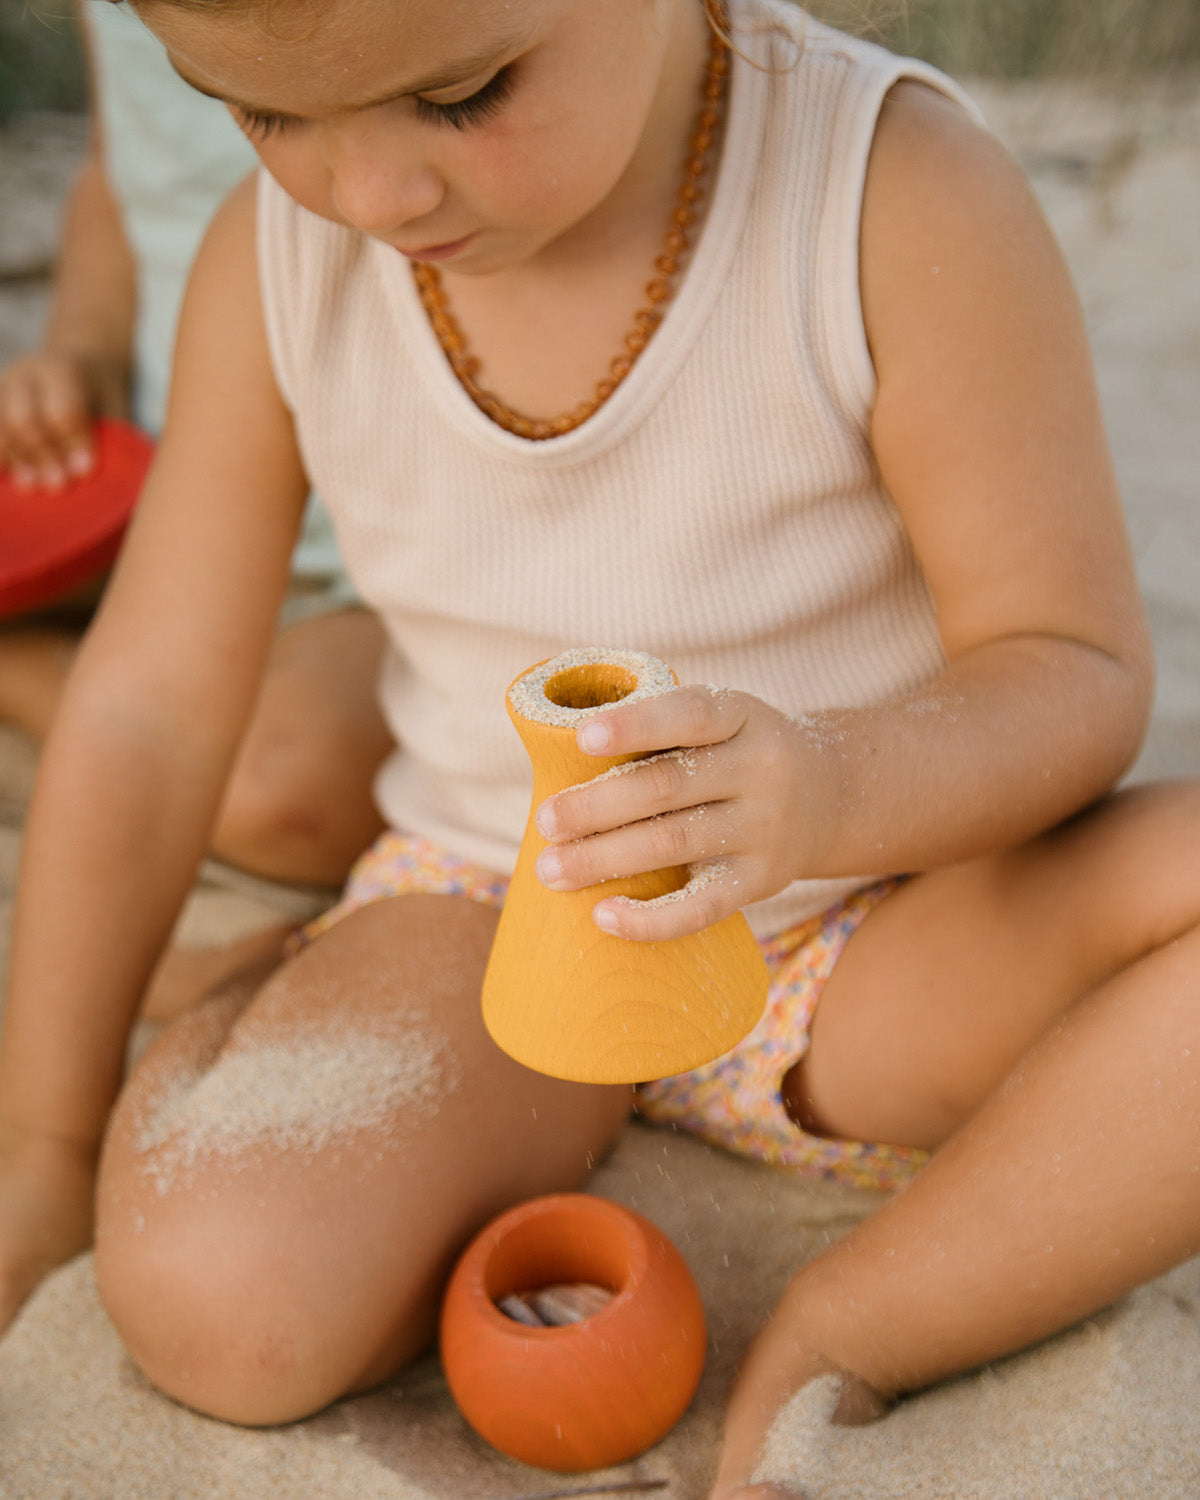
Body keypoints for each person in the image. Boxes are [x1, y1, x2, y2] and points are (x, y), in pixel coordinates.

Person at [0, 0, 1196, 1495]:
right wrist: (46, 1140)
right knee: (221, 1308)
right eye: (265, 113)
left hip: (864, 932)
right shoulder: (278, 258)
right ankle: (281, 987)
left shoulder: (889, 195)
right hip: (490, 915)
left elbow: (1073, 669)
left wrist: (826, 786)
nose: (371, 197)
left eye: (465, 94)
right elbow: (148, 710)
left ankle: (856, 1323)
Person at [0, 0, 391, 890]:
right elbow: (121, 166)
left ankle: (25, 671)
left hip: (362, 557)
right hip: (156, 477)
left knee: (285, 785)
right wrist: (82, 350)